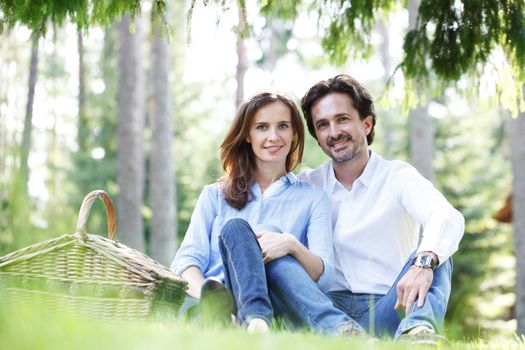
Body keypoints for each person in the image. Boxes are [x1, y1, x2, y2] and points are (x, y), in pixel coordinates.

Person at [296, 74, 465, 343]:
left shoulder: (396, 176)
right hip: (328, 316)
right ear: (317, 136)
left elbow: (445, 216)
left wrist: (424, 263)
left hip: (391, 305)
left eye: (342, 119)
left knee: (436, 254)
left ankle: (417, 333)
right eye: (322, 125)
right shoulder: (307, 186)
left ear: (366, 123)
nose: (333, 132)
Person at [170, 92, 340, 333]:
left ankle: (255, 319)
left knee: (266, 245)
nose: (273, 136)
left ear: (294, 134)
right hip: (214, 296)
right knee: (234, 233)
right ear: (248, 135)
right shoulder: (214, 195)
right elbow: (186, 262)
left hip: (275, 303)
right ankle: (230, 319)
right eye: (262, 127)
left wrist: (291, 245)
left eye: (283, 126)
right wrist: (208, 299)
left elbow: (324, 279)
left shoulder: (312, 198)